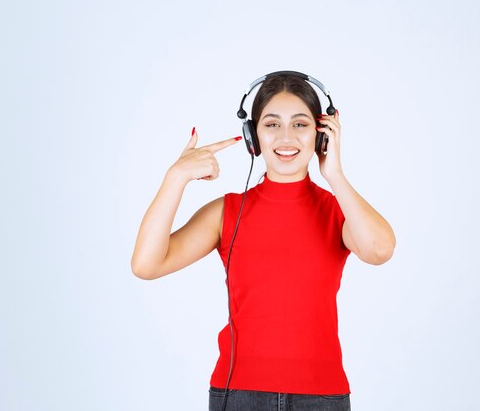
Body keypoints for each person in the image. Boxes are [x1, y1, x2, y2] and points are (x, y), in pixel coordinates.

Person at [131, 74, 396, 411]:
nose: (286, 137)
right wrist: (175, 178)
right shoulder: (226, 212)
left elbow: (380, 250)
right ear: (253, 135)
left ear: (321, 134)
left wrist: (335, 174)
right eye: (272, 124)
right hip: (238, 394)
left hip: (322, 396)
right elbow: (145, 264)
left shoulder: (338, 210)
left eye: (300, 124)